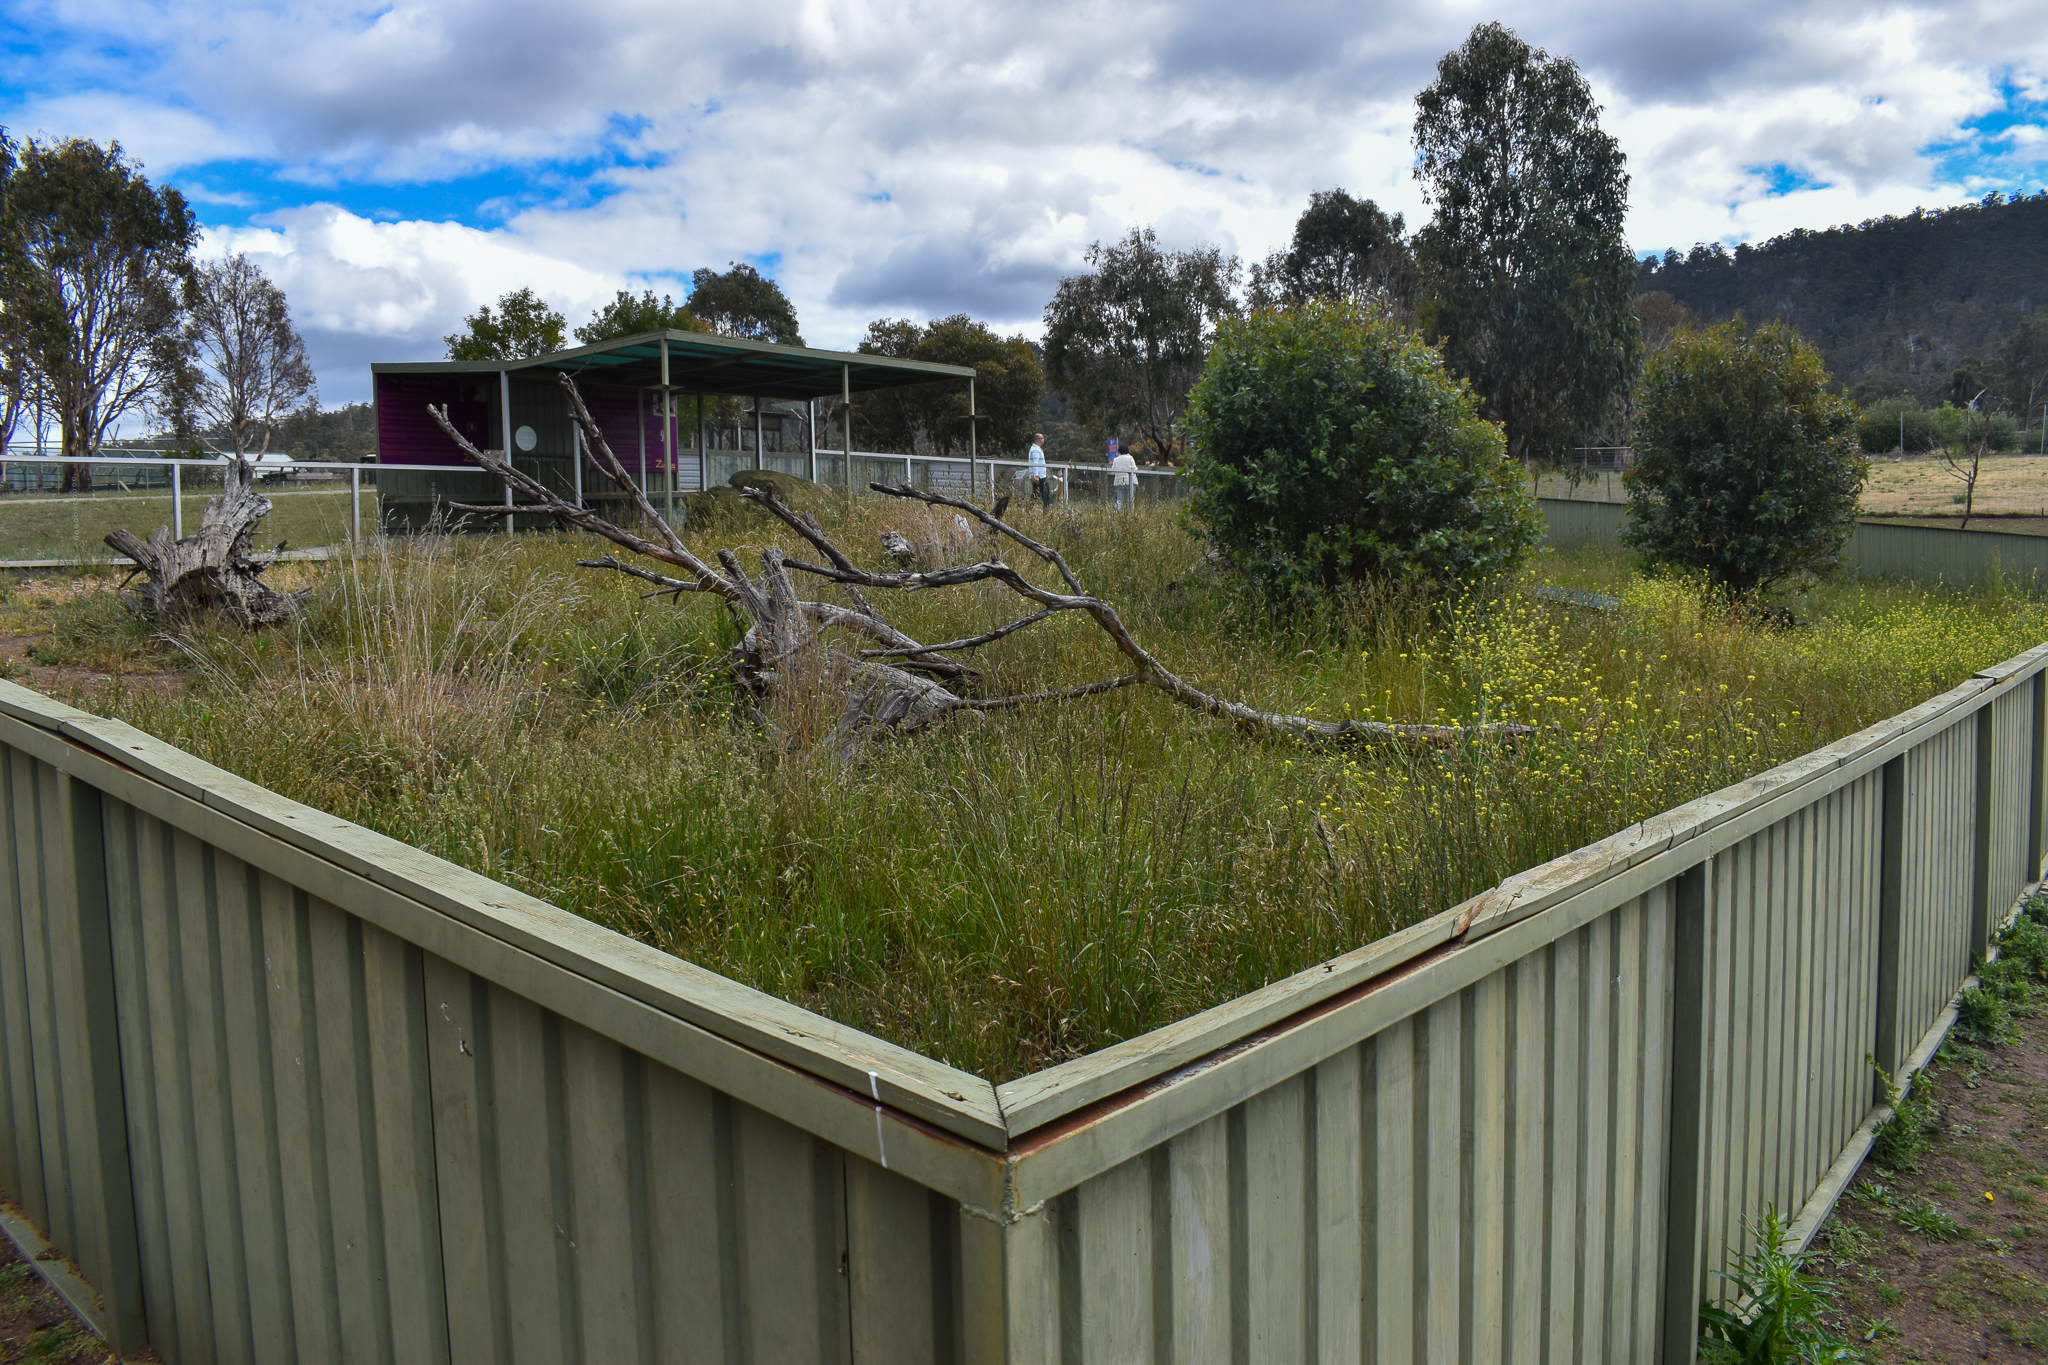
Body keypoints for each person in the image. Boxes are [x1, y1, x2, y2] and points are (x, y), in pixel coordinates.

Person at [1026, 432, 1054, 510]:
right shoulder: (1035, 450)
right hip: (1039, 477)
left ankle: (1030, 509)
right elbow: (1035, 463)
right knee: (1045, 493)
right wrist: (1037, 475)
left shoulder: (1037, 449)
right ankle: (1046, 510)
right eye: (1043, 438)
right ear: (1039, 439)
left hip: (1040, 475)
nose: (1043, 440)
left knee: (1036, 494)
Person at [1110, 446, 1138, 511]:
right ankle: (1130, 513)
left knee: (1119, 499)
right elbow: (1135, 469)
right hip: (1129, 481)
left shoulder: (1116, 459)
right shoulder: (1130, 458)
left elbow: (1113, 470)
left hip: (1119, 482)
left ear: (1119, 451)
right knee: (1130, 499)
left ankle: (1117, 512)